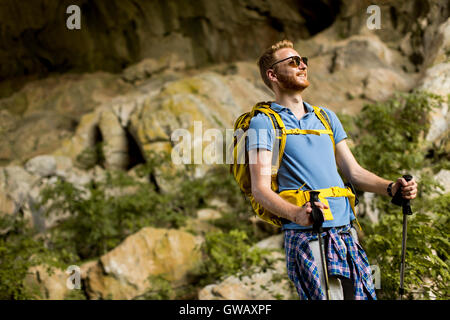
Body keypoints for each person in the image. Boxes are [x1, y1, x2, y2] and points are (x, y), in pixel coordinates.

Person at [248, 40, 418, 300]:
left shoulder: (326, 117)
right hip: (309, 235)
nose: (302, 65)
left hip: (346, 230)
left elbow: (353, 172)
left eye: (302, 60)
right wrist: (296, 214)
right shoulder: (263, 122)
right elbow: (259, 189)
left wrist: (391, 187)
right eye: (293, 61)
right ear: (273, 75)